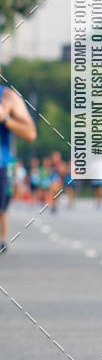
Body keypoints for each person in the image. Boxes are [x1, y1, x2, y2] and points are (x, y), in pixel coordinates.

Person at [0, 76, 37, 253]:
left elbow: (30, 133)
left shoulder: (8, 97)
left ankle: (1, 239)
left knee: (1, 210)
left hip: (1, 164)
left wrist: (6, 119)